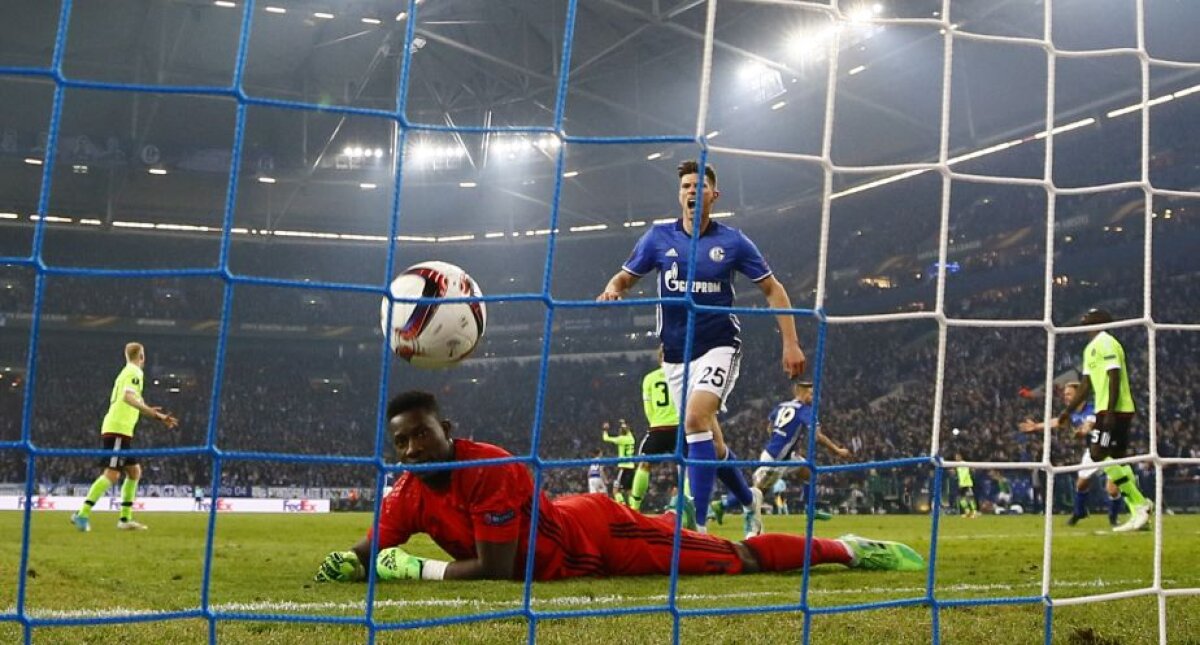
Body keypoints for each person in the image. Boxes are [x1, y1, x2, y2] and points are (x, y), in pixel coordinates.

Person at [313, 391, 924, 584]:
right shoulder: (408, 490)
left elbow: (499, 571)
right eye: (402, 443)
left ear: (446, 430)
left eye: (421, 435)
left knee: (734, 558)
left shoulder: (489, 467)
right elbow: (372, 547)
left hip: (597, 538)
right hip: (572, 528)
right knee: (699, 539)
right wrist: (347, 562)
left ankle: (847, 549)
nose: (413, 450)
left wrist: (415, 570)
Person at [596, 159, 806, 534]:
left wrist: (790, 342)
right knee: (714, 446)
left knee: (694, 420)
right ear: (680, 195)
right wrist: (612, 289)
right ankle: (750, 501)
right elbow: (624, 278)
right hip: (676, 356)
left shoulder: (733, 241)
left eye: (700, 186)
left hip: (719, 345)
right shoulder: (657, 238)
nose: (692, 191)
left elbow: (772, 289)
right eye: (686, 186)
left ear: (714, 195)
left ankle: (699, 528)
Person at [1058, 309, 1153, 532]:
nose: (1083, 320)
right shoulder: (1089, 349)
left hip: (1115, 410)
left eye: (1088, 318)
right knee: (1116, 458)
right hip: (1106, 409)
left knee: (1097, 454)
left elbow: (1114, 377)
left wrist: (1110, 412)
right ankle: (1139, 511)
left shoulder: (1107, 343)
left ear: (1099, 322)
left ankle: (1140, 504)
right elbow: (1085, 385)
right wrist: (1067, 412)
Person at [712, 379, 851, 529]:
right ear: (802, 393)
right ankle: (723, 504)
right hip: (776, 460)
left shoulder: (782, 405)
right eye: (811, 394)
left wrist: (780, 440)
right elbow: (817, 436)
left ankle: (810, 511)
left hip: (783, 456)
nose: (814, 398)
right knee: (757, 492)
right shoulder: (805, 410)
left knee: (808, 473)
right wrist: (837, 450)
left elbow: (770, 426)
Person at [71, 342, 178, 532]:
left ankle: (125, 519)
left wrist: (156, 415)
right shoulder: (134, 372)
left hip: (121, 429)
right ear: (141, 356)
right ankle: (82, 514)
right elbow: (128, 398)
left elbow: (136, 400)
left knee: (134, 472)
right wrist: (155, 414)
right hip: (118, 428)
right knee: (112, 474)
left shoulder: (126, 373)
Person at [1019, 381, 1124, 526]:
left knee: (1111, 489)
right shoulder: (1072, 411)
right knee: (1081, 484)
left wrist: (1083, 431)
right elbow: (1058, 422)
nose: (1065, 397)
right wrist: (1036, 426)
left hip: (1109, 450)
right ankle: (1080, 512)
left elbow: (1089, 424)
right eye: (1065, 394)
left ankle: (1113, 517)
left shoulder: (1093, 409)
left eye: (1069, 394)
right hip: (1093, 451)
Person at [628, 348, 682, 512]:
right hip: (679, 428)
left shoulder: (649, 378)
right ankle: (688, 505)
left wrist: (656, 421)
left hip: (658, 428)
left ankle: (635, 506)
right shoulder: (683, 374)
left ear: (659, 359)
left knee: (644, 464)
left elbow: (648, 408)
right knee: (687, 466)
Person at [601, 420, 636, 505]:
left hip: (623, 467)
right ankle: (633, 507)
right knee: (629, 491)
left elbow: (606, 438)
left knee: (615, 490)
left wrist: (605, 430)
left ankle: (622, 505)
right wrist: (623, 424)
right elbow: (628, 431)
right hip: (631, 468)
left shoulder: (620, 439)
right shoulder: (631, 439)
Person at [954, 454, 978, 519]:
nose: (956, 458)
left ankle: (975, 512)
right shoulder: (957, 465)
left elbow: (965, 473)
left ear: (961, 457)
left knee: (970, 498)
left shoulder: (964, 464)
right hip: (962, 484)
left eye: (958, 457)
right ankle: (967, 511)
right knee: (961, 498)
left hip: (967, 484)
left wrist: (962, 483)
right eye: (956, 457)